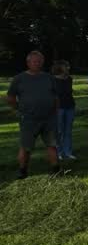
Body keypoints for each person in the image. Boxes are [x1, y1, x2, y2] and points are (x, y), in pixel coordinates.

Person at [7, 51, 62, 179]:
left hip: (49, 118)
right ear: (28, 63)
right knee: (26, 147)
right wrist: (19, 110)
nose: (37, 63)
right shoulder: (19, 79)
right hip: (28, 119)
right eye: (34, 61)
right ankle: (22, 171)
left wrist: (55, 112)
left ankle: (56, 170)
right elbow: (10, 98)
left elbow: (56, 97)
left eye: (40, 61)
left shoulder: (49, 78)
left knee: (52, 145)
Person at [52, 60, 76, 160]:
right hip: (58, 108)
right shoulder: (52, 79)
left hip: (70, 107)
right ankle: (59, 152)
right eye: (66, 66)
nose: (68, 68)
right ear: (60, 68)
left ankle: (68, 152)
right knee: (59, 131)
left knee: (68, 131)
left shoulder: (69, 79)